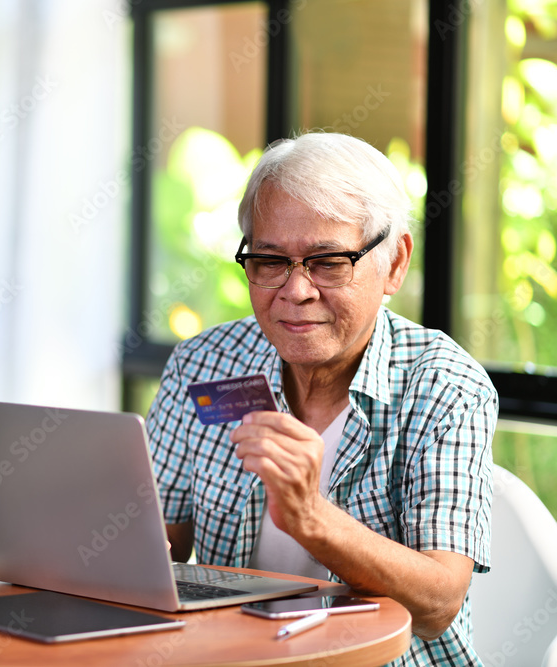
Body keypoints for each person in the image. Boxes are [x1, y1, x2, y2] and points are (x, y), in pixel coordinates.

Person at [147, 132, 497, 665]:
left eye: (328, 261)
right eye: (268, 260)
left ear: (395, 263)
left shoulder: (443, 386)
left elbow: (438, 603)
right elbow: (159, 545)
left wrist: (311, 517)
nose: (296, 290)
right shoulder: (203, 364)